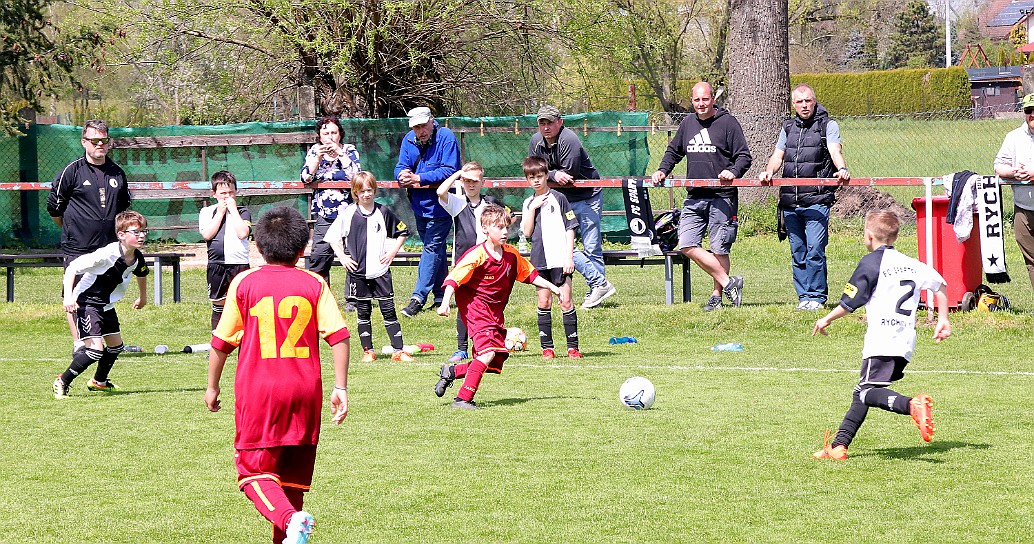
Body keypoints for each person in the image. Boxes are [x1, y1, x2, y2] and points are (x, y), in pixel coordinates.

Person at [205, 206, 351, 544]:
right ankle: (291, 524)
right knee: (290, 483)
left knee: (253, 472)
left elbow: (221, 341)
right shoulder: (314, 282)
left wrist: (212, 386)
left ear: (257, 246)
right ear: (303, 249)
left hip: (261, 391)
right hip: (305, 391)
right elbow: (339, 336)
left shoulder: (245, 281)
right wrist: (340, 387)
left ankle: (290, 519)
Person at [811, 211, 950, 461]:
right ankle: (839, 446)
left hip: (882, 339)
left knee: (866, 392)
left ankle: (911, 405)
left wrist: (826, 318)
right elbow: (940, 286)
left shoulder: (871, 262)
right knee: (863, 390)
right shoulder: (912, 263)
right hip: (905, 342)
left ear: (869, 235)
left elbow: (851, 300)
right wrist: (943, 319)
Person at [433, 203, 563, 409]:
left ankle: (452, 372)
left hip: (494, 313)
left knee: (492, 361)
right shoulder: (477, 254)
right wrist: (445, 302)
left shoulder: (511, 254)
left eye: (506, 227)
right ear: (485, 228)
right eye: (499, 227)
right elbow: (454, 278)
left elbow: (531, 275)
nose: (504, 232)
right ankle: (462, 399)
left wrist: (553, 288)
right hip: (474, 309)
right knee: (486, 353)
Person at [651, 82, 750, 312]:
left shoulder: (727, 123)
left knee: (719, 248)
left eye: (705, 99)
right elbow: (674, 151)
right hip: (695, 196)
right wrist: (662, 169)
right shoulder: (688, 123)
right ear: (692, 101)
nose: (701, 104)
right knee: (686, 243)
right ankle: (728, 283)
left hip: (722, 196)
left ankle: (717, 296)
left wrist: (733, 171)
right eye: (697, 100)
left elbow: (744, 156)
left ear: (712, 99)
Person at [758, 83, 850, 311]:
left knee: (815, 250)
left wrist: (842, 169)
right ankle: (804, 297)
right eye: (799, 102)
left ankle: (817, 297)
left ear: (814, 101)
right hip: (790, 201)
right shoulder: (788, 127)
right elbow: (778, 156)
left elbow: (834, 150)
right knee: (798, 251)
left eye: (808, 100)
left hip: (817, 201)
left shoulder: (827, 125)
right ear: (794, 105)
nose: (804, 105)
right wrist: (769, 171)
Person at [47, 119, 132, 351]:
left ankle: (100, 339)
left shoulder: (117, 172)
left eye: (104, 140)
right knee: (73, 293)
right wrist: (71, 229)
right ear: (84, 142)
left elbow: (123, 208)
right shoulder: (71, 171)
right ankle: (79, 344)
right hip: (78, 245)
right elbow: (55, 208)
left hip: (108, 246)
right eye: (94, 140)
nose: (100, 144)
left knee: (102, 292)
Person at [53, 210, 148, 399]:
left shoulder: (136, 256)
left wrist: (143, 297)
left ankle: (99, 382)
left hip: (106, 306)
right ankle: (62, 381)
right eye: (136, 232)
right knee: (95, 350)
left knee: (116, 347)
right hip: (87, 303)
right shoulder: (106, 255)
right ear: (121, 235)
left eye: (144, 231)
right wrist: (68, 298)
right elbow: (72, 268)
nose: (142, 236)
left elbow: (142, 273)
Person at [528, 105, 616, 309]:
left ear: (560, 122)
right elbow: (535, 169)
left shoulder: (569, 139)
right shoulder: (535, 141)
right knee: (561, 242)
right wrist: (552, 175)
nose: (546, 127)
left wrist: (553, 174)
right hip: (561, 200)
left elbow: (569, 174)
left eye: (550, 122)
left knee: (591, 246)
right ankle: (599, 285)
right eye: (542, 123)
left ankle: (597, 291)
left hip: (587, 197)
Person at [325, 172, 414, 363]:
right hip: (358, 273)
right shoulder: (348, 213)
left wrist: (392, 253)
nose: (366, 194)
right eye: (362, 191)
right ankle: (368, 351)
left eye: (369, 190)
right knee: (363, 312)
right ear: (355, 193)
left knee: (388, 310)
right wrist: (342, 256)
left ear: (374, 190)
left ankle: (398, 351)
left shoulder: (383, 212)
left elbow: (403, 231)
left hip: (380, 272)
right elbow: (333, 237)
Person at [435, 161, 509, 363]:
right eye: (467, 181)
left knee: (486, 302)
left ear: (482, 182)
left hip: (487, 262)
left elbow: (508, 218)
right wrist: (458, 173)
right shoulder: (458, 203)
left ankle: (487, 342)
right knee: (463, 304)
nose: (471, 185)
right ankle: (461, 348)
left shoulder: (491, 204)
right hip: (463, 261)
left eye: (475, 181)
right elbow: (441, 191)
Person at [394, 106, 461, 317]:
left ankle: (417, 298)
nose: (421, 131)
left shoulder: (446, 137)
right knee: (436, 249)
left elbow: (450, 170)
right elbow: (400, 166)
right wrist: (402, 175)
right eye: (416, 127)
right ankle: (441, 296)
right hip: (419, 205)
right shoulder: (408, 140)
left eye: (423, 125)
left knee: (431, 248)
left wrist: (419, 178)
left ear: (432, 121)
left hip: (441, 205)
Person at [520, 156, 582, 360]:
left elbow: (570, 228)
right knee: (544, 301)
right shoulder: (529, 202)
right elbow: (527, 233)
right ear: (527, 180)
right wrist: (532, 208)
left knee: (565, 301)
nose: (536, 180)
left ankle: (573, 347)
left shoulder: (559, 198)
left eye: (539, 176)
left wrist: (569, 257)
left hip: (560, 260)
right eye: (531, 177)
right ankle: (547, 348)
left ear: (547, 175)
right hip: (540, 261)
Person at [300, 116, 361, 311]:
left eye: (333, 132)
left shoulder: (349, 150)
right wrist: (317, 158)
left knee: (351, 256)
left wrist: (341, 154)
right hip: (324, 213)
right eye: (325, 133)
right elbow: (305, 177)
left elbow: (356, 176)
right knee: (319, 255)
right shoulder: (313, 151)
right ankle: (319, 297)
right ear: (319, 135)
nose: (330, 137)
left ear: (340, 134)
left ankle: (352, 299)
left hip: (349, 212)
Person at [199, 171, 252, 331]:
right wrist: (221, 212)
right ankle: (218, 341)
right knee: (219, 304)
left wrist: (233, 210)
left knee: (242, 304)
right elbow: (207, 234)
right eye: (223, 193)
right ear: (213, 194)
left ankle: (244, 342)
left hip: (239, 264)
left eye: (231, 193)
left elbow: (243, 233)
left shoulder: (243, 211)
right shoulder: (207, 212)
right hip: (217, 264)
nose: (227, 197)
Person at [993, 92, 1034, 291]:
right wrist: (1013, 172)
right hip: (1024, 210)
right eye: (1029, 110)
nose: (1033, 114)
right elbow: (999, 166)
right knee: (1032, 262)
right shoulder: (1014, 137)